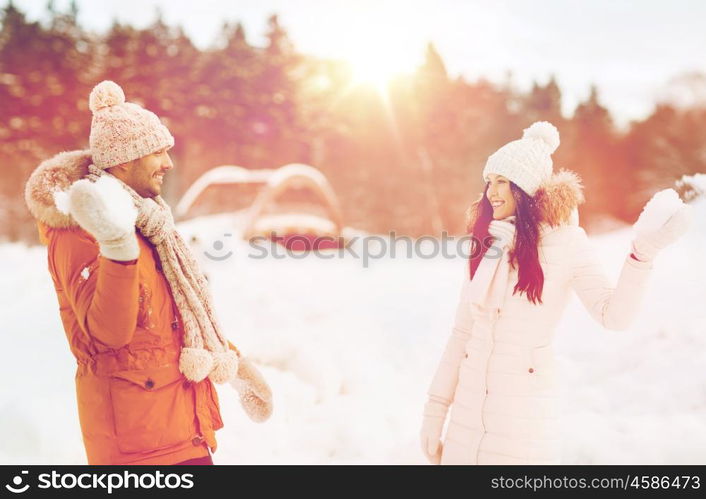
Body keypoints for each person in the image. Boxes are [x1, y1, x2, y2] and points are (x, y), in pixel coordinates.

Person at [24, 81, 273, 465]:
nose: (168, 163)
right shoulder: (79, 228)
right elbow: (109, 335)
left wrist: (234, 363)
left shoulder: (150, 222)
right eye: (158, 152)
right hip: (138, 448)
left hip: (182, 430)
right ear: (124, 159)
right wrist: (117, 249)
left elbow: (174, 320)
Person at [419, 121, 692, 465]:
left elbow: (614, 316)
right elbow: (462, 335)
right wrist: (435, 412)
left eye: (503, 181)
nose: (492, 191)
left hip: (520, 424)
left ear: (526, 187)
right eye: (489, 181)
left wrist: (642, 255)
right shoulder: (487, 245)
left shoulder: (567, 242)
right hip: (465, 422)